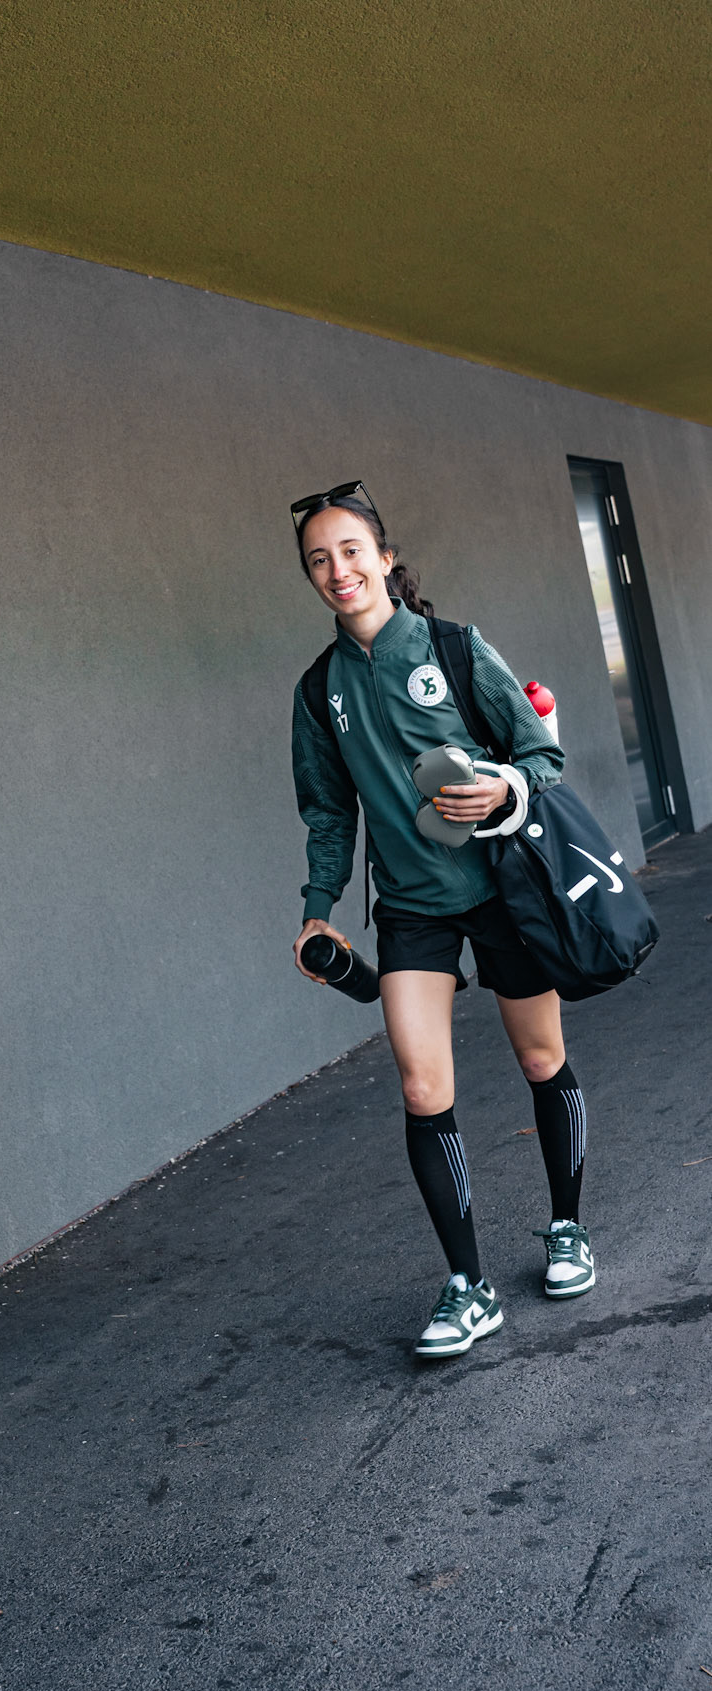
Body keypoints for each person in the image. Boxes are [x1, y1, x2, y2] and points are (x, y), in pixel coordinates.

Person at [289, 483, 593, 1358]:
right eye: (319, 559)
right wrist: (317, 911)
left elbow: (542, 753)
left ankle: (565, 1228)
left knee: (540, 1056)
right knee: (423, 1090)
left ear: (384, 558)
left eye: (350, 550)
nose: (337, 570)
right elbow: (325, 811)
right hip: (412, 906)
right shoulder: (319, 691)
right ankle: (468, 1287)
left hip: (502, 888)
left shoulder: (454, 649)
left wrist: (506, 784)